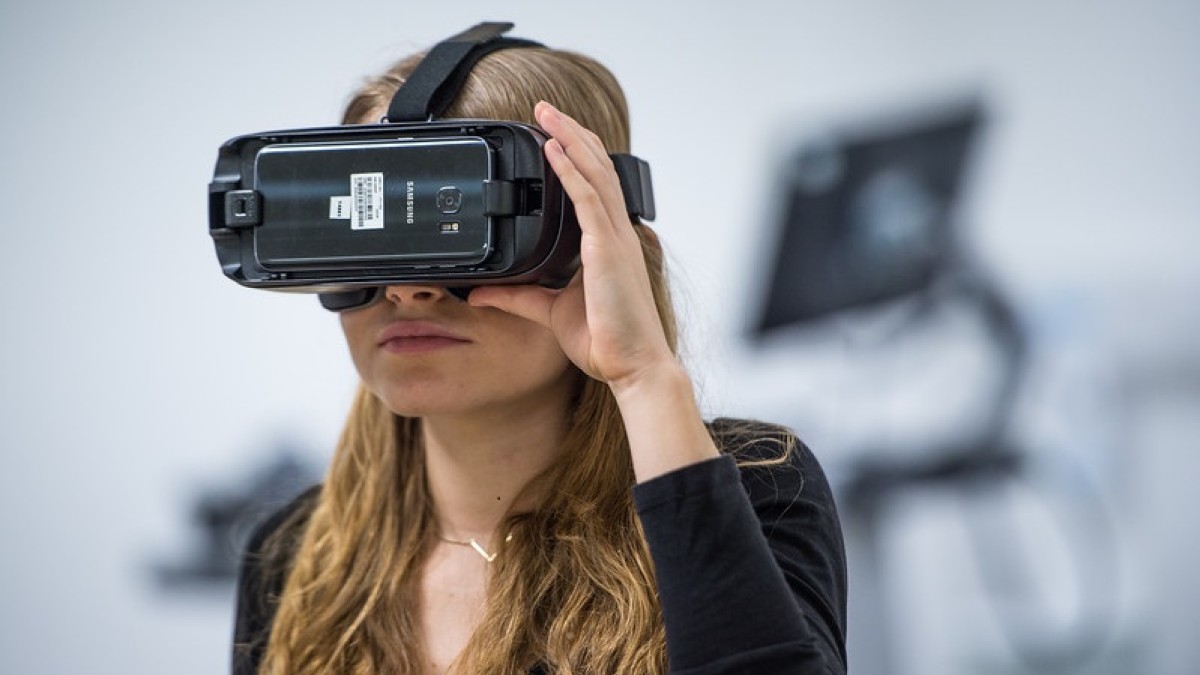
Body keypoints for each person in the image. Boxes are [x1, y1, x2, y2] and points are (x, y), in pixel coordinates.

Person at [232, 39, 848, 675]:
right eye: (372, 226)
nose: (406, 289)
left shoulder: (758, 488)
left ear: (587, 243)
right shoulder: (292, 557)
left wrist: (645, 378)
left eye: (461, 226)